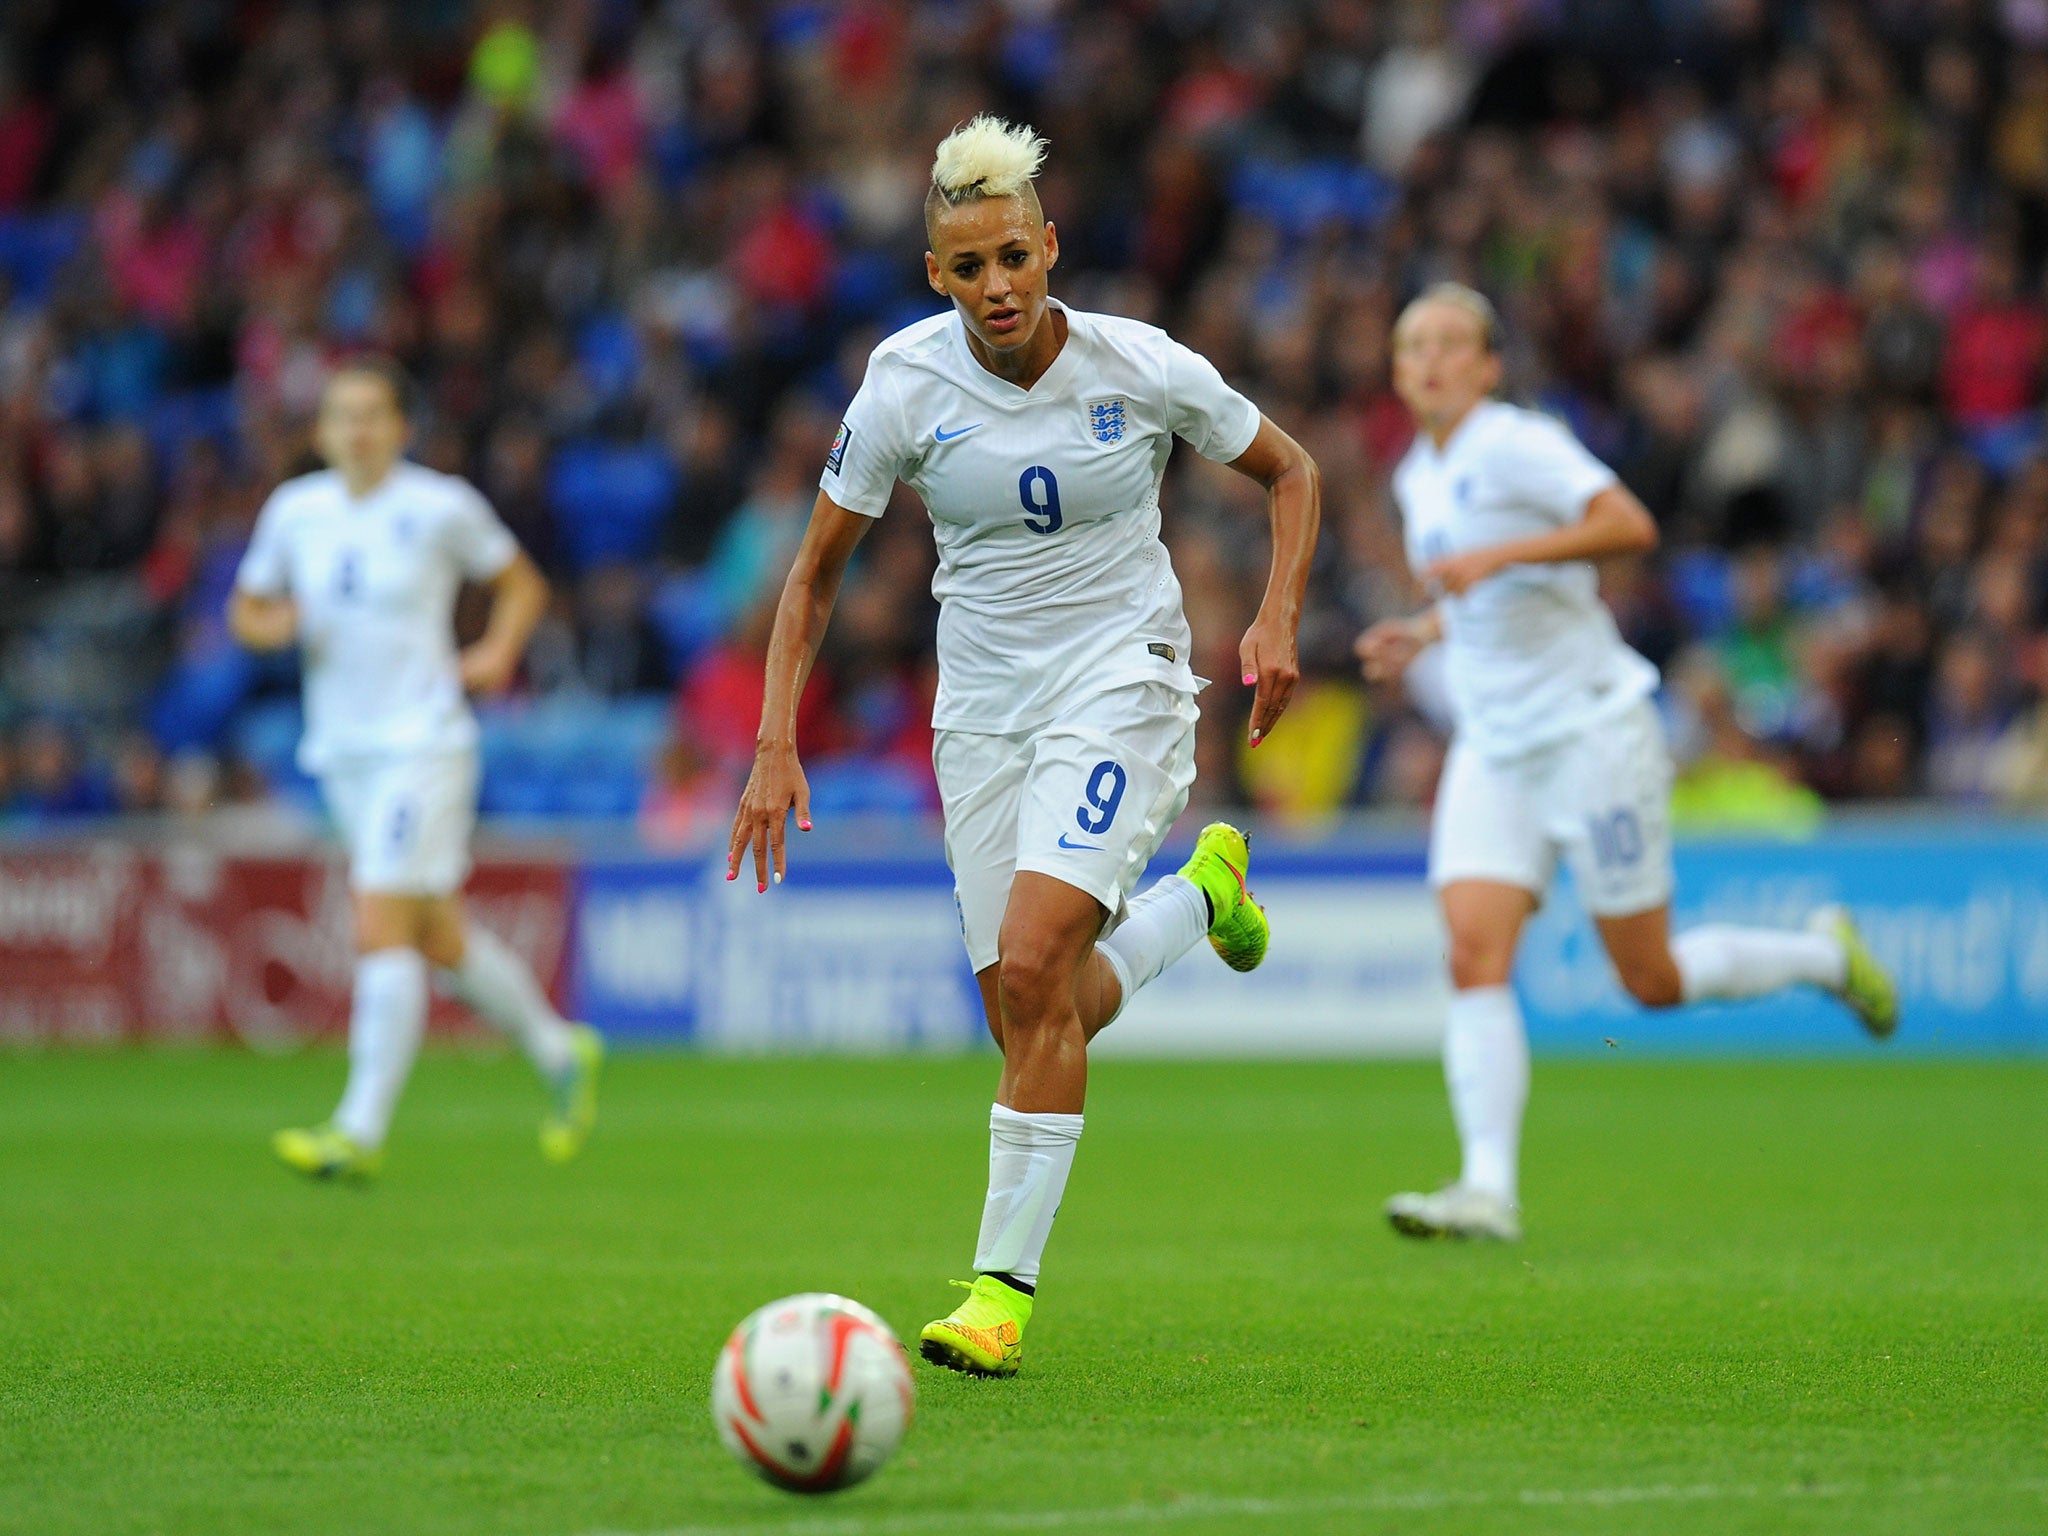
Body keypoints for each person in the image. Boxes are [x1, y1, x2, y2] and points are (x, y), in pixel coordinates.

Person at [727, 117, 1319, 1375]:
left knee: (1043, 954)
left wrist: (1272, 616)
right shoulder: (900, 385)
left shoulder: (1137, 365)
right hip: (981, 713)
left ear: (1048, 247)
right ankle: (1198, 900)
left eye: (1012, 256)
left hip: (1124, 682)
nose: (994, 286)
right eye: (966, 268)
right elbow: (815, 574)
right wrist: (775, 739)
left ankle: (998, 1293)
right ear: (934, 274)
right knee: (1027, 1014)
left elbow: (1292, 471)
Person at [1356, 284, 1898, 1242]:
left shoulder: (1517, 443)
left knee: (1647, 979)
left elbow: (1628, 526)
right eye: (1413, 347)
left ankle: (1824, 957)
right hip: (1495, 743)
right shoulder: (1416, 477)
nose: (1431, 360)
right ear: (1397, 372)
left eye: (1451, 344)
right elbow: (1486, 593)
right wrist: (1427, 629)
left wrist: (1503, 558)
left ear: (1486, 366)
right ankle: (1488, 1189)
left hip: (1592, 731)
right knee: (1473, 951)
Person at [229, 359, 603, 1179]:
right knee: (431, 930)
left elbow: (522, 586)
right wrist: (272, 625)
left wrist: (499, 650)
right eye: (340, 416)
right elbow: (248, 608)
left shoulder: (439, 506)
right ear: (321, 432)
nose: (356, 430)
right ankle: (559, 1050)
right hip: (343, 754)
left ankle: (357, 1131)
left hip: (424, 742)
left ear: (400, 427)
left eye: (372, 415)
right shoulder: (296, 512)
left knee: (380, 917)